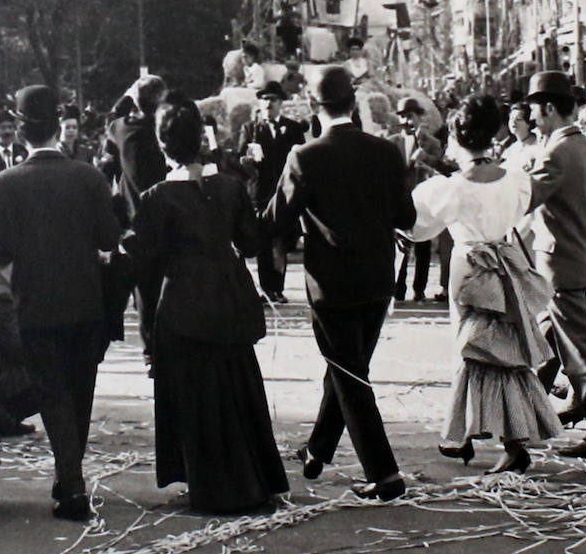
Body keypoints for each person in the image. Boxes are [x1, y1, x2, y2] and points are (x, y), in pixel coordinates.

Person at [127, 98, 288, 513]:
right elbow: (252, 242)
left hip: (183, 298)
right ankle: (254, 476)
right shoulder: (229, 187)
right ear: (201, 139)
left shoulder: (157, 196)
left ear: (163, 147)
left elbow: (140, 256)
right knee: (237, 381)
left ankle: (209, 483)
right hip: (230, 290)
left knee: (195, 390)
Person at [264, 65, 414, 502]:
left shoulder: (305, 156)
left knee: (350, 376)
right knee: (349, 368)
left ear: (313, 105)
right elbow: (406, 217)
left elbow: (276, 220)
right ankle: (319, 448)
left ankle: (384, 474)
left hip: (331, 284)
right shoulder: (387, 152)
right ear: (354, 103)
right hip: (379, 280)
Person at [0, 85, 121, 521]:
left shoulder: (4, 184)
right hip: (85, 302)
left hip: (35, 304)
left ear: (20, 132)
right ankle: (68, 476)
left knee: (54, 393)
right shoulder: (89, 176)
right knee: (79, 394)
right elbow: (109, 239)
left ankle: (71, 483)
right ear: (59, 127)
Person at [406, 95, 560, 475]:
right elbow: (524, 207)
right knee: (502, 346)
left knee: (474, 346)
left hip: (470, 265)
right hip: (505, 259)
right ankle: (469, 433)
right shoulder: (516, 178)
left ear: (457, 140)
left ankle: (500, 439)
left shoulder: (452, 187)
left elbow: (418, 228)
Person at [524, 70, 586, 459]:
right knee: (544, 339)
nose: (531, 119)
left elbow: (525, 198)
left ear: (548, 109)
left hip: (560, 262)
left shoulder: (556, 153)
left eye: (534, 111)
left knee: (580, 352)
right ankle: (527, 412)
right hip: (579, 256)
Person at [239, 81, 308, 302]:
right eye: (265, 99)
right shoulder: (250, 129)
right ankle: (266, 289)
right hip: (259, 193)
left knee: (280, 241)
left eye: (273, 100)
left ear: (281, 103)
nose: (268, 104)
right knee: (262, 241)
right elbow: (239, 160)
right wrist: (248, 159)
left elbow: (301, 159)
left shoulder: (293, 128)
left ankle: (277, 287)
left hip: (284, 192)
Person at [389, 97, 444, 303]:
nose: (407, 121)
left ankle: (419, 288)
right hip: (401, 198)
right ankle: (398, 287)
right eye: (403, 116)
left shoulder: (432, 143)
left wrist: (427, 157)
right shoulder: (392, 142)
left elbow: (438, 167)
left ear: (420, 117)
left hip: (423, 200)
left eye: (410, 116)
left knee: (423, 246)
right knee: (401, 245)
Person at [104, 75, 169, 223]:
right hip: (163, 214)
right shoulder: (164, 130)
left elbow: (113, 115)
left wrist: (129, 94)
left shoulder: (120, 129)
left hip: (132, 217)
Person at [499, 102, 540, 174]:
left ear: (529, 123)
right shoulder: (510, 148)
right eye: (511, 118)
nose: (513, 122)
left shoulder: (538, 145)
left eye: (518, 119)